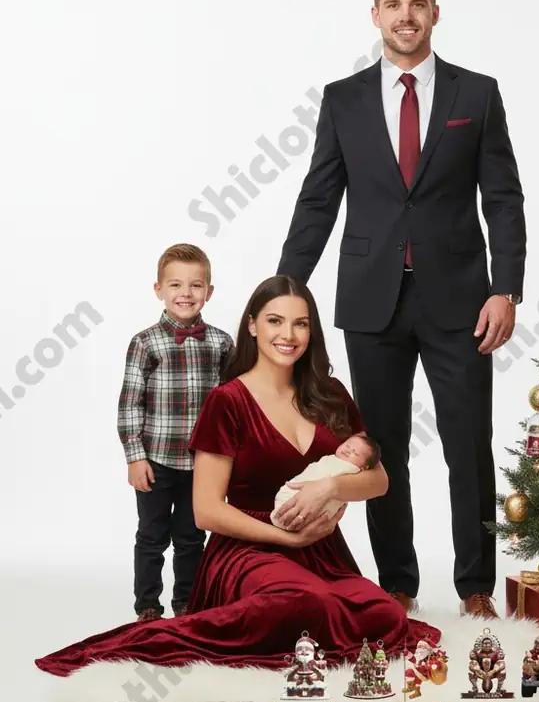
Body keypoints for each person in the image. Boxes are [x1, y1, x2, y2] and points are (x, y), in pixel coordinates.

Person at [277, 0, 527, 619]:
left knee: (467, 445)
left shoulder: (477, 94)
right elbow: (319, 198)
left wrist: (506, 289)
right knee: (378, 448)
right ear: (376, 14)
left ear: (435, 13)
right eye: (394, 5)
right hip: (371, 300)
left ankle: (476, 587)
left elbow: (503, 198)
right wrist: (286, 286)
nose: (406, 17)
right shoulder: (343, 98)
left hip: (462, 302)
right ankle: (397, 585)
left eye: (417, 4)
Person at [35, 275, 440, 677]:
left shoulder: (330, 393)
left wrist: (331, 486)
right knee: (304, 603)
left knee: (385, 614)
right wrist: (286, 538)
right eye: (275, 321)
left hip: (322, 550)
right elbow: (206, 511)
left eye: (300, 323)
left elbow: (379, 481)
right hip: (246, 551)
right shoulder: (226, 400)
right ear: (252, 326)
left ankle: (314, 616)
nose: (288, 335)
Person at [119, 243, 234, 622]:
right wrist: (135, 457)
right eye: (175, 285)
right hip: (156, 460)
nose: (186, 293)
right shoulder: (145, 342)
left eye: (195, 285)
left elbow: (231, 403)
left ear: (209, 292)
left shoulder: (221, 343)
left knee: (191, 537)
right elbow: (130, 403)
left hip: (202, 464)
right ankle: (148, 606)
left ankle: (188, 602)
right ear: (159, 290)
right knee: (151, 537)